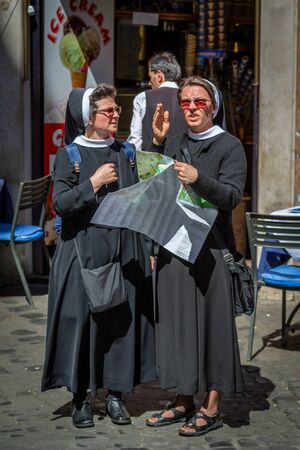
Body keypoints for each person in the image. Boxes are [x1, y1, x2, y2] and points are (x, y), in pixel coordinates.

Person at [41, 84, 156, 428]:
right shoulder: (69, 155)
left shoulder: (127, 152)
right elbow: (60, 204)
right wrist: (92, 184)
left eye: (117, 110)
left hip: (123, 251)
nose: (115, 115)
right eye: (108, 111)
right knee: (82, 326)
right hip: (82, 252)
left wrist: (148, 248)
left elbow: (141, 201)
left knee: (120, 324)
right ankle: (80, 398)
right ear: (88, 118)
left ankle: (116, 395)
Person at [146, 76, 247, 437]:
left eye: (198, 102)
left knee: (214, 326)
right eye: (185, 102)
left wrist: (198, 178)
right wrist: (156, 142)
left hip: (213, 250)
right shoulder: (174, 142)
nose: (190, 108)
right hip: (175, 246)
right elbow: (155, 186)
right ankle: (183, 398)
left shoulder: (230, 146)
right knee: (178, 326)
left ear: (213, 106)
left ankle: (212, 405)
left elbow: (232, 196)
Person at [127, 51, 187, 151]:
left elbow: (135, 139)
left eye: (150, 77)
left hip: (151, 163)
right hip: (183, 164)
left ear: (159, 75)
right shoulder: (189, 98)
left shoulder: (143, 98)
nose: (150, 83)